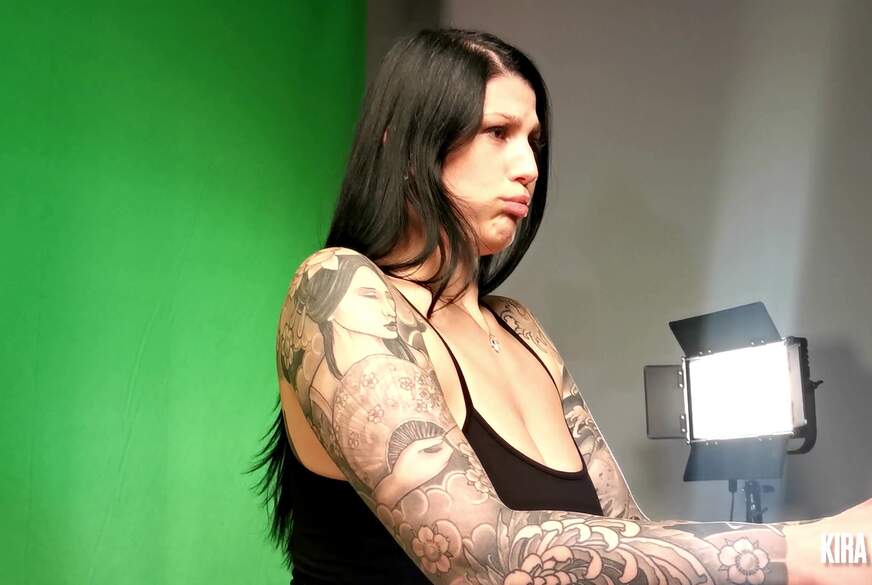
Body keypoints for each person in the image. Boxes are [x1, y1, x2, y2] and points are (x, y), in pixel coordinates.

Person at [251, 28, 871, 584]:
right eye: (498, 132)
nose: (529, 167)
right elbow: (479, 556)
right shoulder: (337, 287)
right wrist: (804, 554)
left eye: (534, 141)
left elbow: (622, 535)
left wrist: (839, 545)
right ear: (407, 145)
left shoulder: (518, 326)